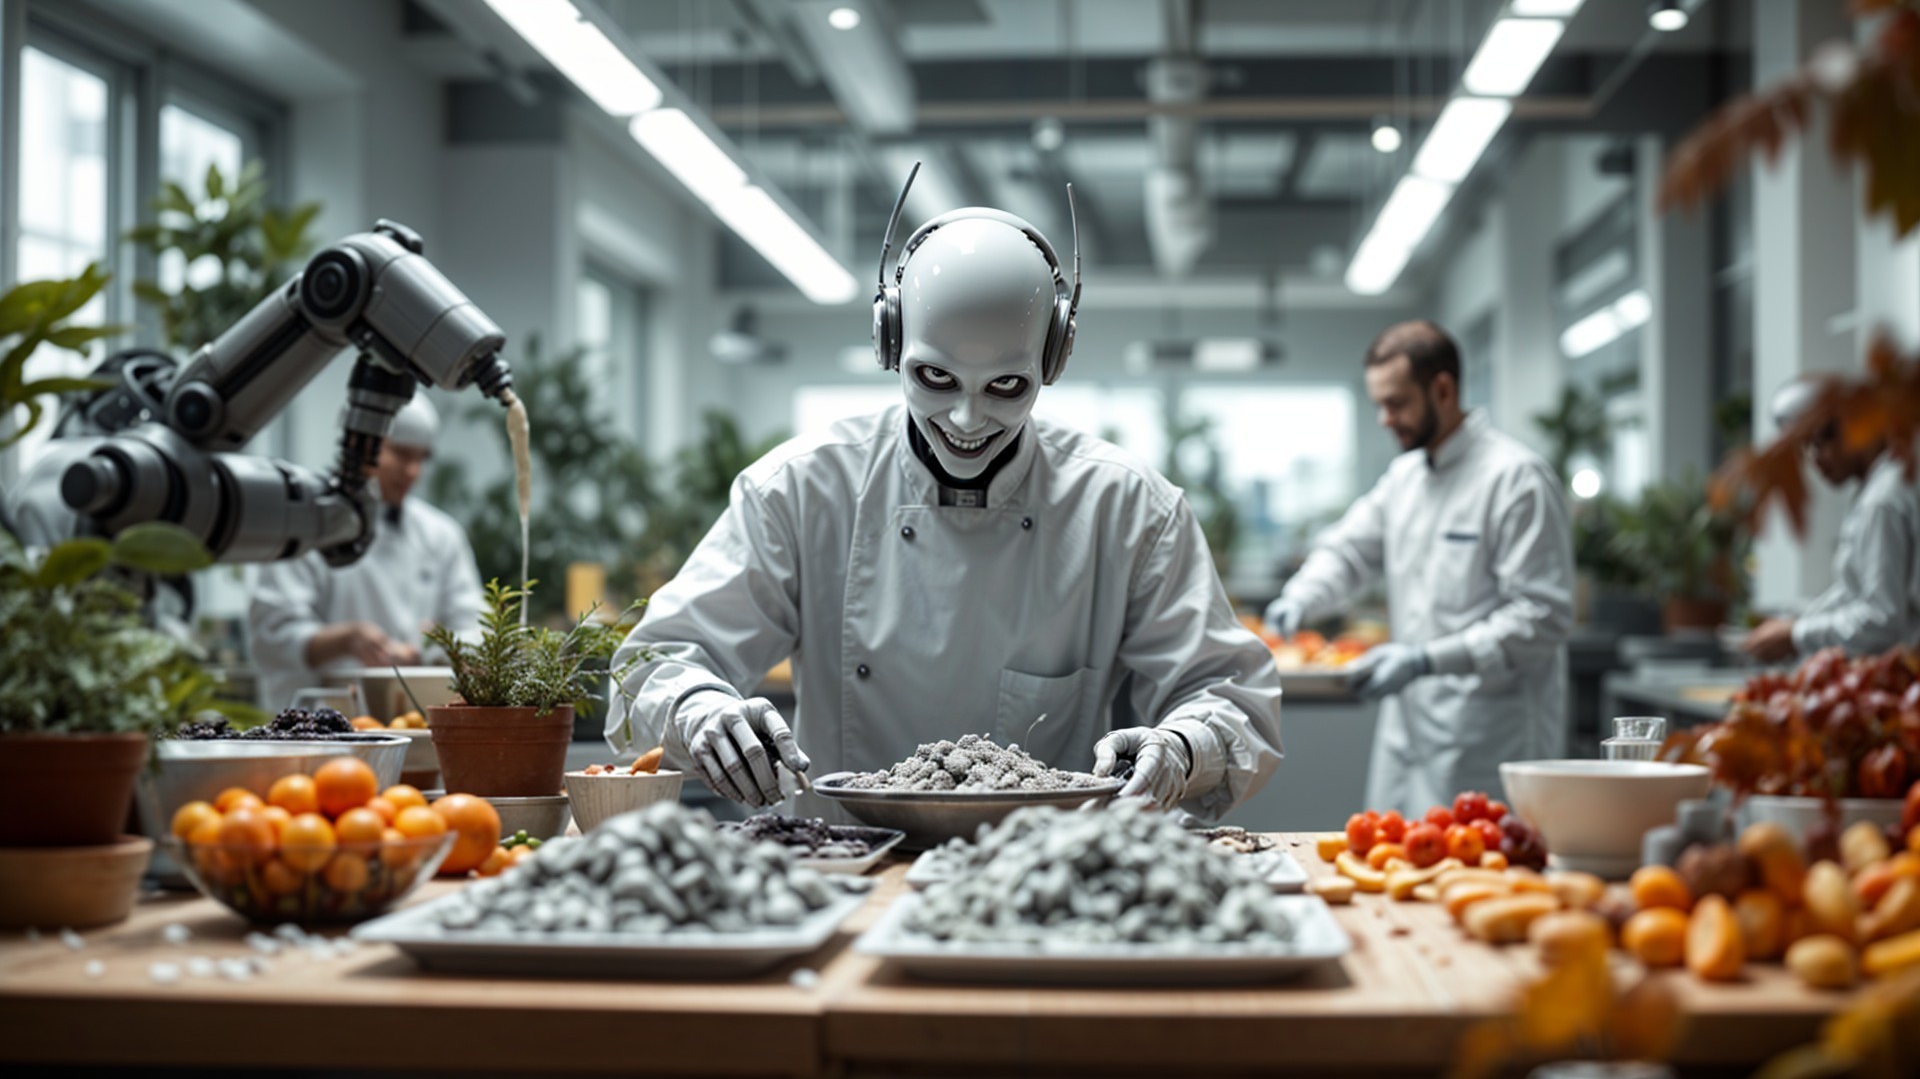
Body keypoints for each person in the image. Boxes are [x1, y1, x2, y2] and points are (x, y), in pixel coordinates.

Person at [607, 191, 1283, 818]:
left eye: (1006, 386)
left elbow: (1234, 700)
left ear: (1053, 359)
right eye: (936, 378)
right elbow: (650, 670)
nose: (965, 417)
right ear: (891, 342)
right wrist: (696, 706)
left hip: (1046, 876)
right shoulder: (800, 490)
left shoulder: (1127, 510)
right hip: (842, 863)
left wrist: (1187, 747)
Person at [1263, 321, 1573, 816]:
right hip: (1406, 731)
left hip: (1487, 735)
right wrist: (1299, 597)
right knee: (1390, 868)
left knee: (1479, 878)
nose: (1385, 419)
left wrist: (1426, 659)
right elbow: (1349, 552)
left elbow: (1542, 615)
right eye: (1379, 404)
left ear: (1443, 389)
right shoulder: (1404, 477)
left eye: (1397, 403)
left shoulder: (1515, 479)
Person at [248, 393, 484, 711]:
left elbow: (473, 626)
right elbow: (272, 635)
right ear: (359, 446)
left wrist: (434, 651)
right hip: (317, 724)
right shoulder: (302, 525)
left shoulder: (441, 535)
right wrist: (346, 639)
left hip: (414, 720)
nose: (412, 471)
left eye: (421, 458)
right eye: (401, 454)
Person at [1742, 379, 1920, 662]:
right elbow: (1854, 591)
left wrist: (1796, 634)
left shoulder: (1882, 501)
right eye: (1806, 448)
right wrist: (1798, 623)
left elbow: (1881, 619)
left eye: (1821, 441)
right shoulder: (1878, 489)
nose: (1815, 459)